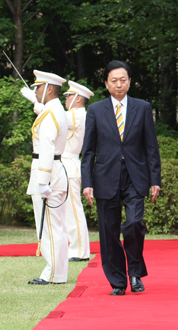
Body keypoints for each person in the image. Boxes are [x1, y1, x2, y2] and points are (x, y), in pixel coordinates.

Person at [81, 61, 161, 296]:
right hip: (105, 177)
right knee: (109, 231)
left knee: (134, 224)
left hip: (136, 176)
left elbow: (151, 147)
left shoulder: (143, 107)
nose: (119, 84)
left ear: (129, 81)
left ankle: (135, 272)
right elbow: (88, 151)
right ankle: (117, 280)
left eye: (123, 80)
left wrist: (155, 179)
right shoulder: (95, 110)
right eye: (114, 80)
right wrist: (87, 182)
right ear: (106, 84)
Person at [20, 70, 69, 284]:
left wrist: (42, 182)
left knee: (49, 226)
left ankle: (53, 273)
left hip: (48, 172)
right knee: (55, 224)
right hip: (55, 170)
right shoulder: (55, 109)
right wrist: (36, 103)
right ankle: (57, 272)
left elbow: (47, 147)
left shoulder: (51, 113)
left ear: (49, 89)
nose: (35, 90)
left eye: (37, 87)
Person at [63, 81, 94, 262]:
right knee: (68, 210)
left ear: (77, 99)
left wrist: (38, 104)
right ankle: (75, 248)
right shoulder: (75, 115)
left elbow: (53, 117)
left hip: (70, 164)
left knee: (73, 210)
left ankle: (80, 251)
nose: (66, 99)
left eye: (68, 96)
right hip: (67, 163)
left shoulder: (77, 115)